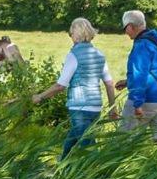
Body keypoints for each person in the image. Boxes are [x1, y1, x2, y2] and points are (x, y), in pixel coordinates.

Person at [32, 18, 119, 158]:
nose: (70, 36)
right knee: (70, 143)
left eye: (71, 33)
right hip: (95, 108)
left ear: (76, 34)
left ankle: (99, 176)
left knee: (88, 148)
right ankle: (60, 173)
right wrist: (112, 108)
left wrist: (40, 97)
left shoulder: (74, 55)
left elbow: (60, 85)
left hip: (80, 108)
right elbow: (109, 83)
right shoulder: (99, 54)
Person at [115, 10, 157, 160]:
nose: (125, 32)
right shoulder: (156, 39)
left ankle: (112, 177)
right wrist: (127, 82)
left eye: (125, 28)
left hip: (147, 100)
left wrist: (137, 103)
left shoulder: (141, 45)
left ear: (131, 26)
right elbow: (154, 69)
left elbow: (140, 75)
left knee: (121, 140)